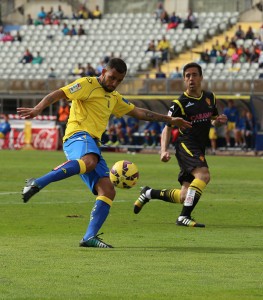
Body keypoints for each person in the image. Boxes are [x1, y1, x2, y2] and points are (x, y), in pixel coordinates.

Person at [17, 58, 191, 248]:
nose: (114, 83)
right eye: (112, 78)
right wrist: (37, 108)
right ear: (103, 72)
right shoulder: (87, 84)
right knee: (89, 161)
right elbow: (59, 93)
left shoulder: (114, 97)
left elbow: (140, 113)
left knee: (108, 189)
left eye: (119, 80)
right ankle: (37, 182)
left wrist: (170, 119)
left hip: (92, 144)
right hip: (78, 135)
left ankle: (89, 237)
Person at [133, 62, 227, 228]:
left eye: (194, 75)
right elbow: (167, 127)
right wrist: (163, 150)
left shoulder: (209, 97)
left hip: (199, 147)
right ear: (184, 80)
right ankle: (184, 216)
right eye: (187, 76)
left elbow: (213, 121)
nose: (191, 79)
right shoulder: (179, 103)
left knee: (184, 196)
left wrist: (219, 122)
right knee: (204, 175)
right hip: (186, 145)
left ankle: (148, 193)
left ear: (201, 77)